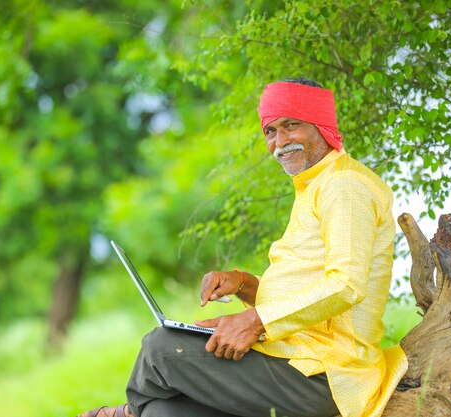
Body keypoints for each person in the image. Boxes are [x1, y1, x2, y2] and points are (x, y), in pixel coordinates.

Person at [78, 78, 408, 417]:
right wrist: (244, 284)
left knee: (161, 350)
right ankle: (138, 412)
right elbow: (308, 295)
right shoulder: (315, 185)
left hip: (326, 374)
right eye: (271, 132)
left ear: (320, 124)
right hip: (290, 355)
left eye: (291, 126)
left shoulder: (344, 186)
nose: (280, 142)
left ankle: (124, 413)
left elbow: (345, 285)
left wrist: (254, 321)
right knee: (163, 411)